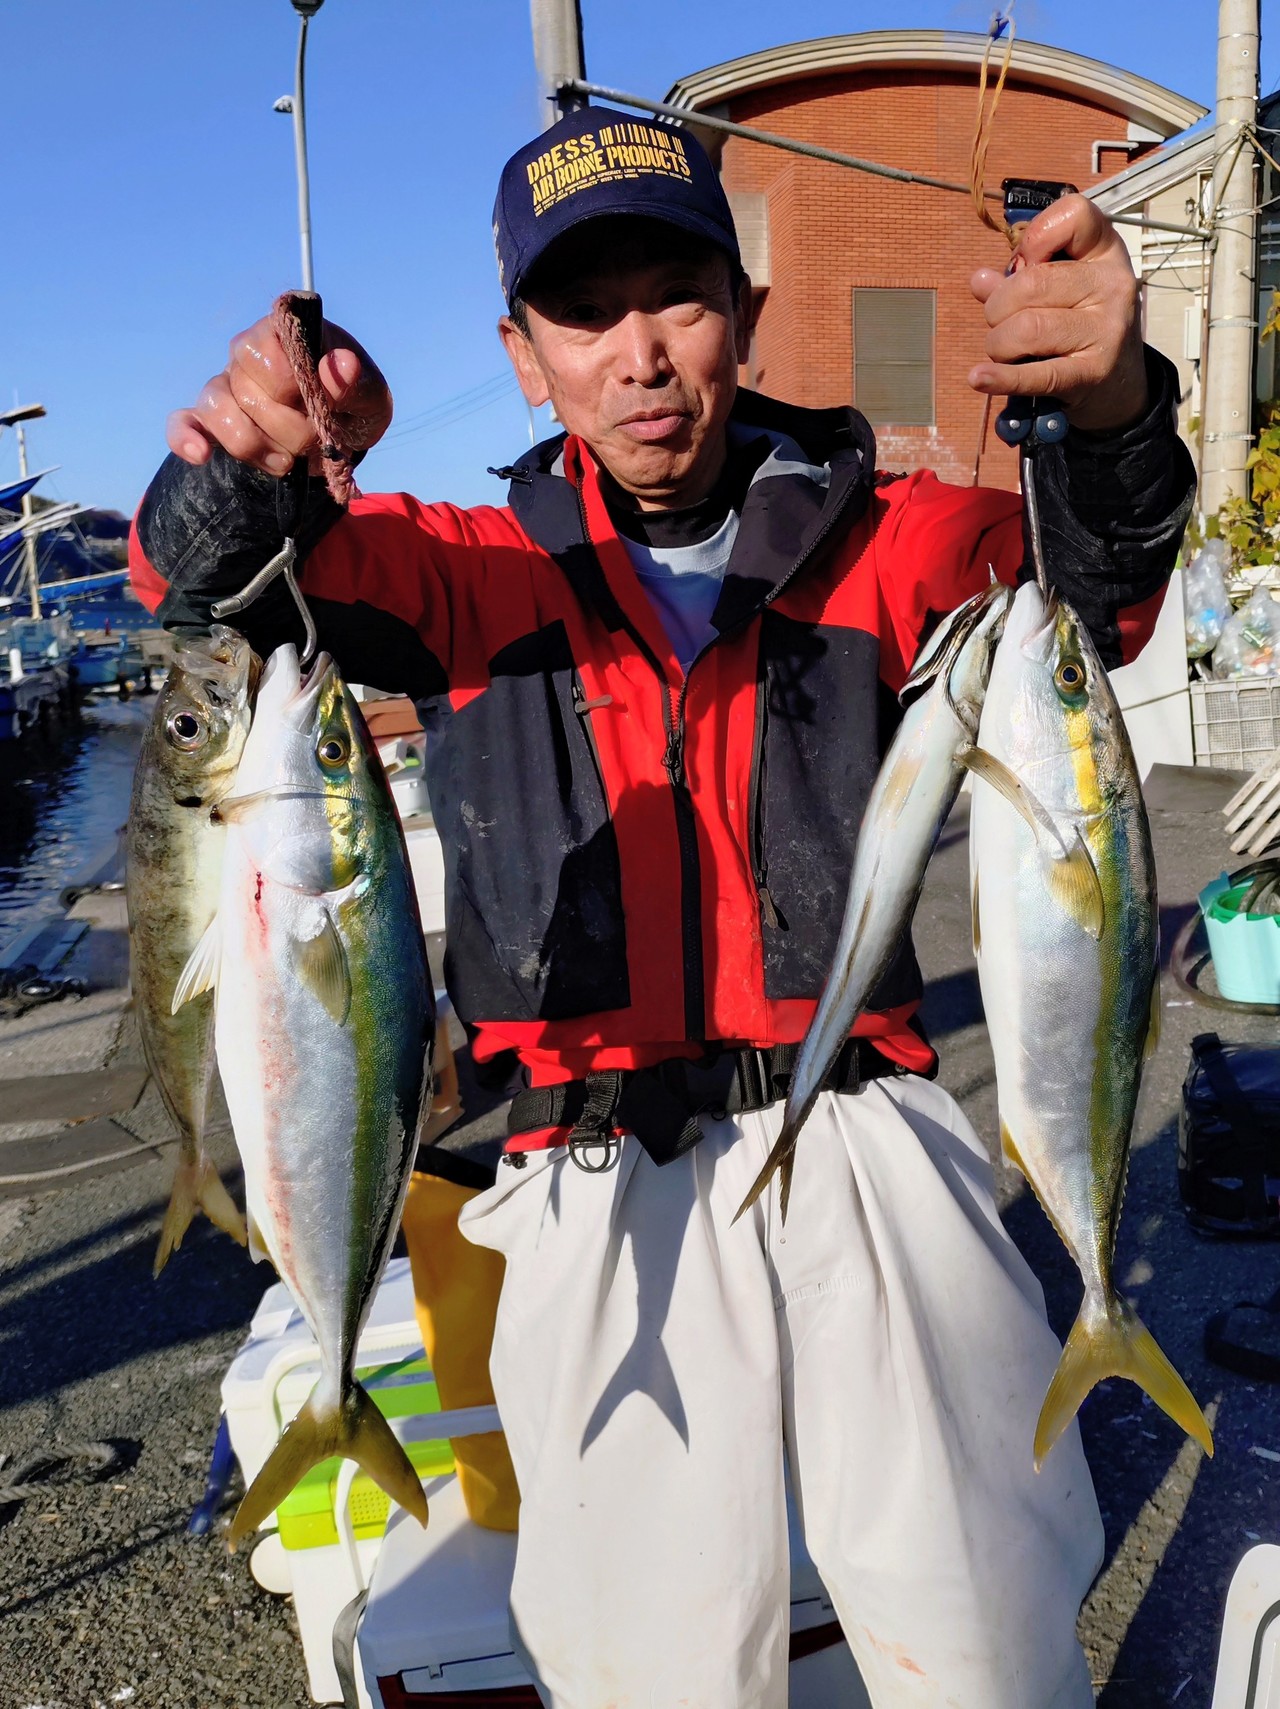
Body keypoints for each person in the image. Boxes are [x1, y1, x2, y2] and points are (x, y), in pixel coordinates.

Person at [131, 105, 1194, 1708]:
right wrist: (245, 472)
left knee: (987, 1641)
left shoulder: (895, 538)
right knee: (649, 1671)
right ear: (522, 355)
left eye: (678, 297)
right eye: (584, 312)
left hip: (868, 1140)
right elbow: (194, 594)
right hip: (587, 1180)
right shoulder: (470, 573)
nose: (640, 355)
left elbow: (1093, 591)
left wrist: (1111, 410)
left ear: (747, 313)